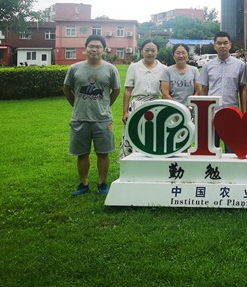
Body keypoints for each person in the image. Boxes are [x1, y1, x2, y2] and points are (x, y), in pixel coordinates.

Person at [62, 35, 121, 196]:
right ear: (85, 48)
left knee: (103, 153)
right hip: (80, 118)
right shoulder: (74, 68)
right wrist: (76, 104)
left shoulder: (111, 69)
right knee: (82, 154)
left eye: (98, 47)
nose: (94, 49)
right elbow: (66, 88)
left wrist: (105, 105)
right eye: (91, 46)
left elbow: (116, 90)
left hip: (103, 119)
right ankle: (84, 183)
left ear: (103, 50)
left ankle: (102, 183)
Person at [197, 31, 245, 149]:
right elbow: (204, 90)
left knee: (232, 150)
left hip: (231, 113)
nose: (222, 46)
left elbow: (242, 90)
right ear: (214, 46)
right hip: (212, 113)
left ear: (230, 45)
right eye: (219, 43)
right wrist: (203, 112)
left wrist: (243, 111)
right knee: (212, 149)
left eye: (225, 43)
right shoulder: (207, 66)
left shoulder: (240, 65)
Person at [121, 39, 168, 157]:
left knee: (153, 135)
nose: (150, 53)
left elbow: (165, 92)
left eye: (153, 50)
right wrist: (125, 112)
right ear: (142, 51)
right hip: (136, 105)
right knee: (134, 135)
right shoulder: (134, 67)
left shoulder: (164, 68)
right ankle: (131, 161)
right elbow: (128, 90)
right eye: (147, 50)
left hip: (155, 106)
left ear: (157, 51)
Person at [160, 43, 199, 107]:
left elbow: (198, 91)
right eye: (178, 53)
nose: (181, 56)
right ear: (173, 55)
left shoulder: (194, 70)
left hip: (191, 108)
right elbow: (165, 93)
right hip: (173, 108)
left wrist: (190, 106)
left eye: (183, 53)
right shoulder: (167, 71)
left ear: (187, 55)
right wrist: (177, 108)